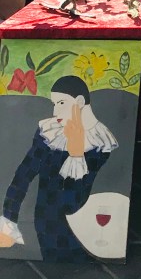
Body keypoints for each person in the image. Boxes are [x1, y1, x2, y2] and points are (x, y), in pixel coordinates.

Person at [0, 75, 118, 261]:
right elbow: (23, 176)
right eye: (54, 104)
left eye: (61, 103)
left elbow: (73, 203)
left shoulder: (101, 142)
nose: (55, 111)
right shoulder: (49, 133)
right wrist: (8, 220)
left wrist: (77, 154)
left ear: (79, 102)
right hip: (46, 226)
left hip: (89, 231)